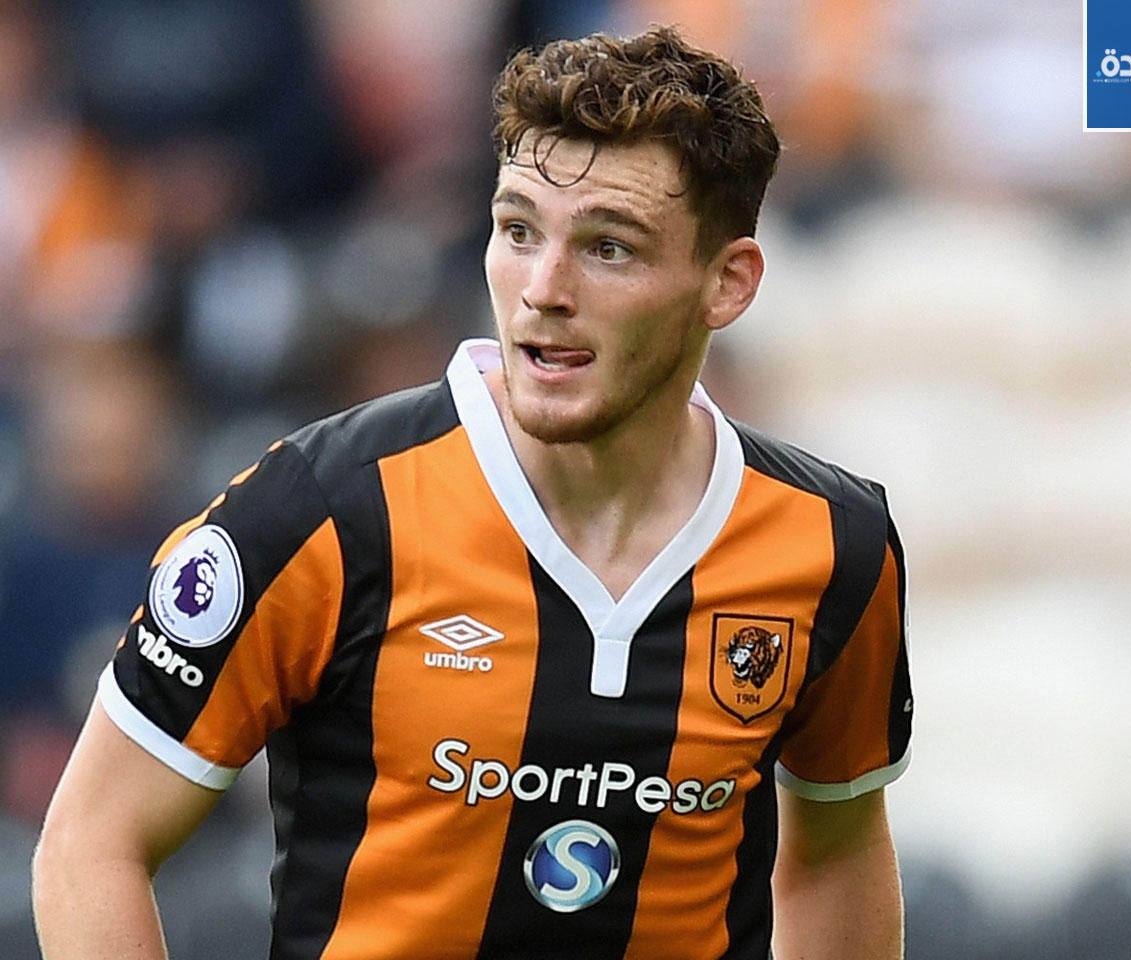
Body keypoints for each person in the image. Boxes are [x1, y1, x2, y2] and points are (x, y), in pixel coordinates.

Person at [32, 26, 913, 960]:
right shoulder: (323, 509)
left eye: (608, 248)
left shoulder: (834, 544)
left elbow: (836, 857)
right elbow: (91, 841)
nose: (544, 289)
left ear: (727, 284)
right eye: (518, 230)